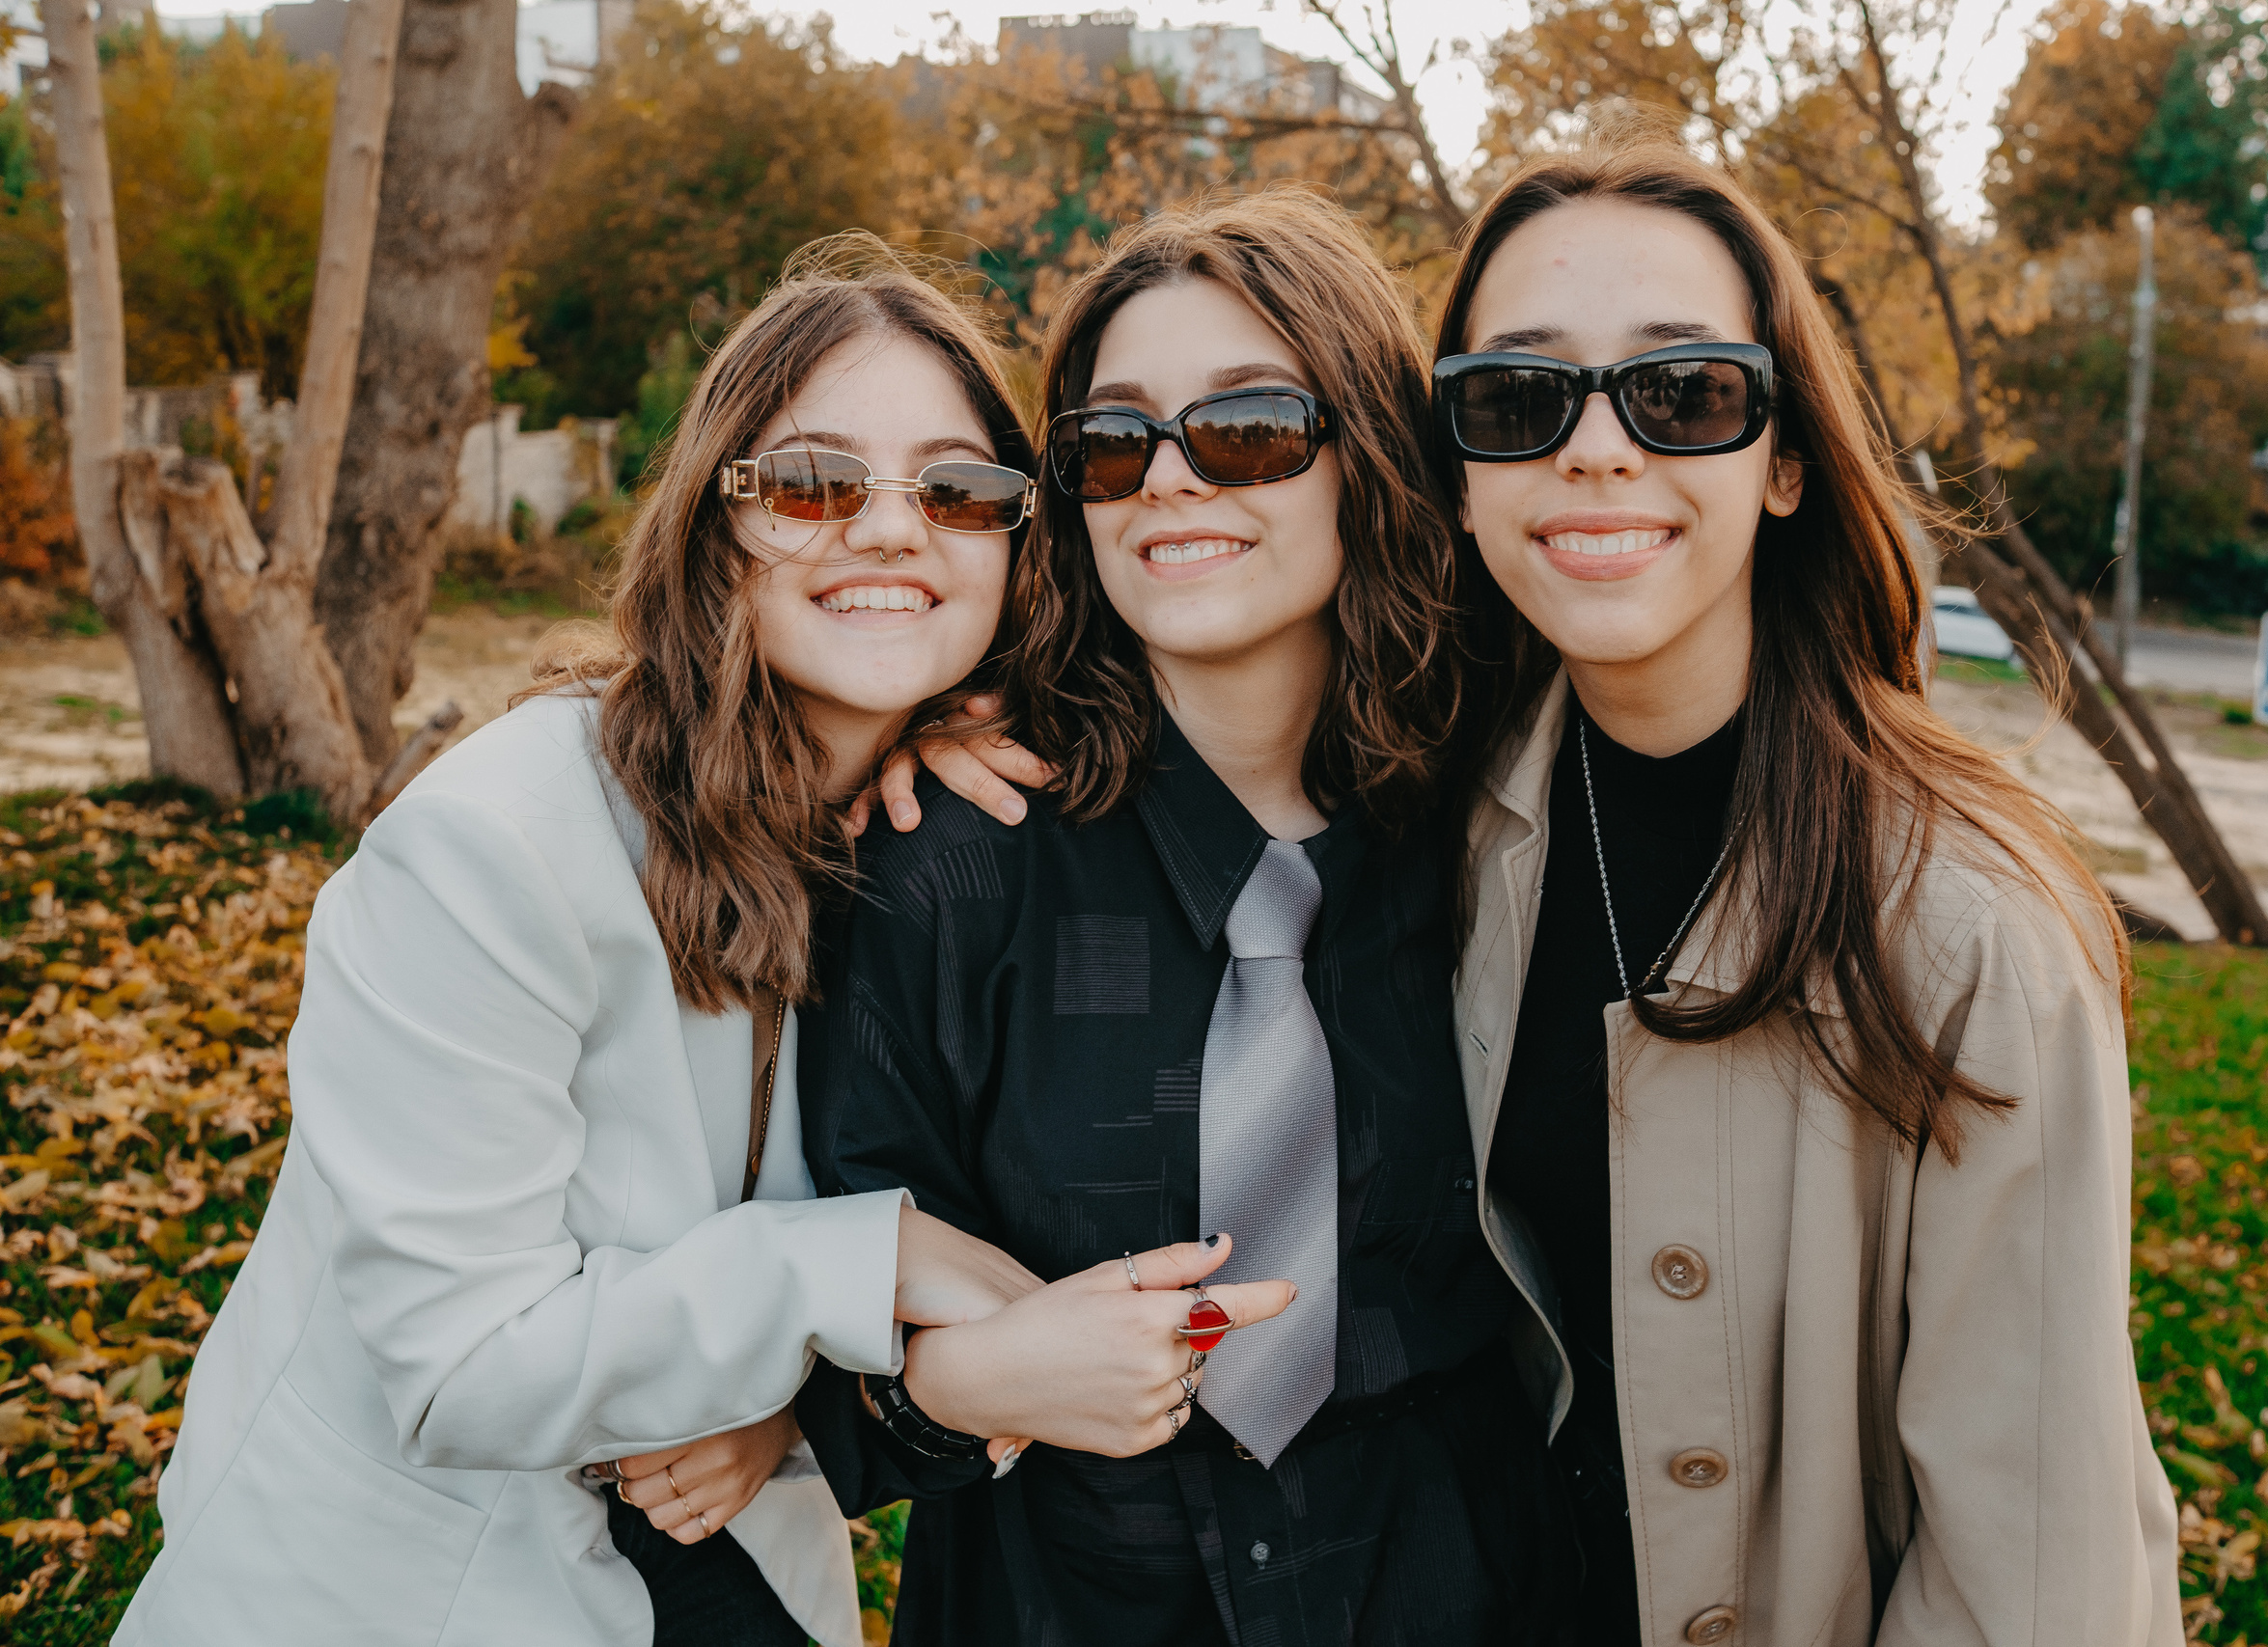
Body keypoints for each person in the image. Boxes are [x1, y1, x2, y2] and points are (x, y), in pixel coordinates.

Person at [116, 246, 1088, 1647]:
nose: (891, 530)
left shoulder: (928, 840)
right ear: (714, 523)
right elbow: (461, 1371)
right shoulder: (491, 847)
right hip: (409, 1588)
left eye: (955, 489)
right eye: (813, 483)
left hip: (719, 1563)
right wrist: (860, 1266)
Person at [1434, 130, 2184, 1643]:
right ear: (1458, 473)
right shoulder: (1436, 819)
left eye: (1684, 389)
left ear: (1783, 460)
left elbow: (2034, 1573)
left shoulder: (1974, 927)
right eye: (1517, 397)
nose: (1596, 448)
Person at [800, 189, 1571, 1647]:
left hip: (1452, 1591)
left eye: (1248, 428)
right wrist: (956, 1394)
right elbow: (806, 1350)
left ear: (1370, 459)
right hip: (1060, 1603)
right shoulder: (954, 859)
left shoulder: (1500, 825)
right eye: (1108, 440)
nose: (1168, 479)